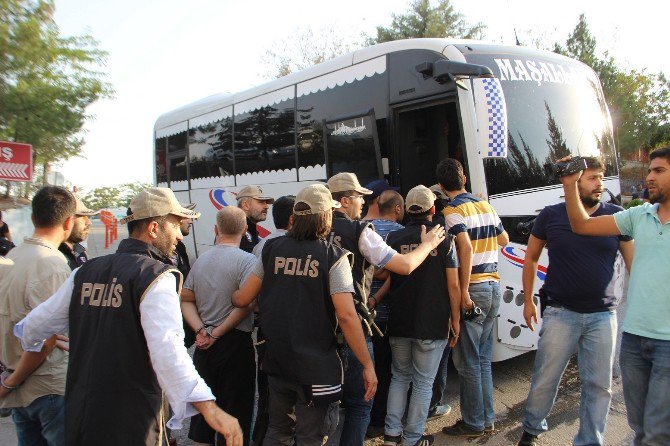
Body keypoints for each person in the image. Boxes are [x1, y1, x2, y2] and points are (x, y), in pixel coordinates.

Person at [12, 187, 243, 446]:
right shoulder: (156, 277)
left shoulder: (85, 272)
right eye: (176, 225)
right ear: (154, 228)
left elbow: (31, 328)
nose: (179, 235)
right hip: (132, 421)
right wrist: (210, 408)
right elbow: (168, 351)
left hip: (84, 417)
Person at [232, 184, 377, 446]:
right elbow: (346, 316)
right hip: (317, 370)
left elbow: (242, 298)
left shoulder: (271, 249)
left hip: (277, 362)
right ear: (325, 217)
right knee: (311, 437)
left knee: (278, 432)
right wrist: (367, 365)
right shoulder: (333, 256)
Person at [517, 158, 634, 446]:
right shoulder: (551, 215)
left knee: (599, 386)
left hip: (603, 315)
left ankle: (590, 440)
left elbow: (636, 265)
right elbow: (530, 258)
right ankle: (531, 429)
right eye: (592, 178)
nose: (600, 184)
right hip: (560, 312)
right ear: (576, 181)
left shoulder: (616, 216)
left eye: (601, 177)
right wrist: (528, 301)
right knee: (545, 379)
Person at [326, 172, 447, 446]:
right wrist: (427, 245)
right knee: (360, 403)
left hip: (317, 328)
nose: (364, 204)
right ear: (345, 201)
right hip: (351, 326)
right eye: (359, 198)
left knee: (326, 402)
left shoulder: (312, 230)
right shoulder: (360, 233)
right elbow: (403, 266)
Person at [560, 147, 670, 446]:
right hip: (633, 339)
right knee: (640, 427)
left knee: (659, 432)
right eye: (649, 170)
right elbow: (581, 225)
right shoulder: (638, 215)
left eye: (658, 171)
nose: (649, 177)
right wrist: (570, 185)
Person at [436, 158, 509, 438]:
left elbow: (464, 246)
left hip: (474, 289)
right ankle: (487, 419)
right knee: (482, 360)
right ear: (463, 178)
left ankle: (473, 423)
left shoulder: (453, 210)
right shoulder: (486, 206)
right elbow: (503, 240)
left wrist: (463, 290)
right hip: (493, 287)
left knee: (467, 362)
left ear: (442, 186)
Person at [383, 186, 461, 446]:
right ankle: (412, 439)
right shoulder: (444, 239)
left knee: (399, 378)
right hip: (433, 323)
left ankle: (392, 435)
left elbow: (384, 275)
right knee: (423, 384)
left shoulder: (393, 239)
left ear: (406, 209)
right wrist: (456, 320)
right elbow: (453, 286)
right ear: (433, 210)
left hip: (400, 321)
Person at [0, 186, 75, 445]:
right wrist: (11, 382)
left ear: (33, 218)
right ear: (69, 222)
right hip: (48, 386)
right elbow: (45, 338)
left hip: (20, 387)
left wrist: (12, 381)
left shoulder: (13, 255)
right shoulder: (53, 264)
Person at [181, 206, 257, 446]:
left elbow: (185, 298)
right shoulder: (248, 261)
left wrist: (201, 330)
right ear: (245, 231)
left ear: (216, 229)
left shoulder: (201, 259)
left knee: (204, 414)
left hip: (204, 347)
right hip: (235, 345)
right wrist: (216, 333)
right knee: (235, 415)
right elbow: (247, 304)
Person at [251, 195, 295, 446]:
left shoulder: (262, 245)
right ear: (292, 219)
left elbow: (251, 292)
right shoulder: (296, 246)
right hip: (294, 331)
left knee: (269, 392)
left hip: (267, 329)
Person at [364, 190, 405, 438]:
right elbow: (395, 271)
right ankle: (379, 419)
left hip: (360, 310)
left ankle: (363, 414)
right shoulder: (400, 233)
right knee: (385, 368)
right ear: (398, 209)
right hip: (384, 311)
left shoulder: (362, 229)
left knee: (365, 367)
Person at [173, 202, 197, 348]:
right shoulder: (166, 252)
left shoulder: (179, 247)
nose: (191, 221)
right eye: (187, 215)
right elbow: (174, 291)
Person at [58, 198, 98, 270]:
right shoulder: (55, 256)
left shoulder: (79, 251)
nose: (89, 222)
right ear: (66, 220)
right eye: (82, 217)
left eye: (88, 217)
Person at [237, 185, 275, 253]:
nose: (266, 206)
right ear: (245, 205)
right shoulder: (236, 231)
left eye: (266, 202)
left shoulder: (249, 230)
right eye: (261, 202)